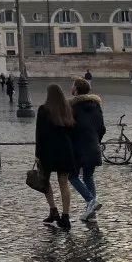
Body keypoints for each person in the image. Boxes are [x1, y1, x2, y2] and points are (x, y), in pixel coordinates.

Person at [35, 84, 77, 230]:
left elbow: (39, 134)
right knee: (63, 183)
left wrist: (37, 154)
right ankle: (65, 216)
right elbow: (73, 131)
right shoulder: (67, 109)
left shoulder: (43, 109)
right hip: (65, 149)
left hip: (48, 150)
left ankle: (53, 210)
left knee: (45, 181)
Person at [68, 78, 105, 222]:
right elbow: (102, 128)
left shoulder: (73, 107)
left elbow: (70, 128)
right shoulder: (96, 106)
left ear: (76, 90)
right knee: (88, 177)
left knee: (72, 176)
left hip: (78, 147)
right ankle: (91, 214)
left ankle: (90, 201)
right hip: (93, 146)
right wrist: (96, 141)